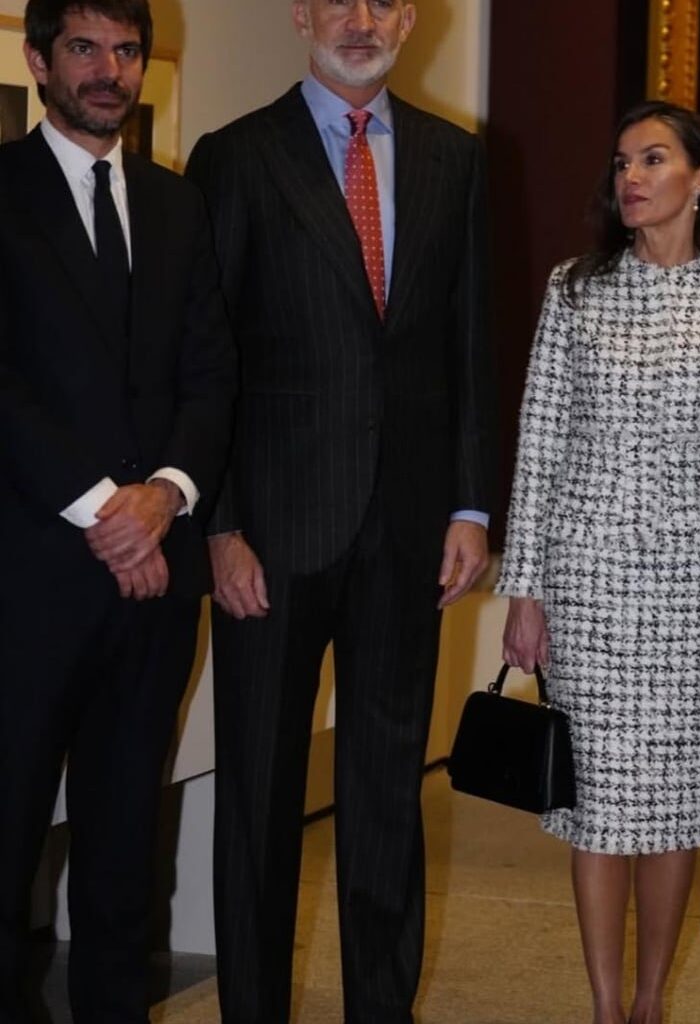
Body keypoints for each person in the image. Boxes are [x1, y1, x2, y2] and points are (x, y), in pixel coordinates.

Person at [183, 1, 496, 1021]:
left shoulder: (458, 157)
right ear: (299, 14)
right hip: (269, 536)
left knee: (385, 800)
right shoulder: (235, 157)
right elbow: (207, 357)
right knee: (261, 808)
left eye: (386, 0)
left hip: (407, 534)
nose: (361, 20)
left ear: (414, 18)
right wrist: (219, 525)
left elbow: (471, 347)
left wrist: (469, 504)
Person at [496, 100, 700, 1024]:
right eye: (622, 160)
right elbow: (538, 445)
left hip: (697, 586)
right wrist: (525, 586)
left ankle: (655, 999)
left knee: (680, 797)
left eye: (653, 159)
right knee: (598, 802)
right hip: (585, 581)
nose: (630, 177)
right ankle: (607, 1006)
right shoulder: (574, 288)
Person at [0, 0, 236, 1020]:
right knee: (5, 842)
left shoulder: (180, 205)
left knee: (122, 845)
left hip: (153, 583)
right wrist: (108, 511)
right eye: (85, 48)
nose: (108, 71)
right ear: (38, 58)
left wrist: (166, 496)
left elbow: (211, 377)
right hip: (27, 580)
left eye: (126, 51)